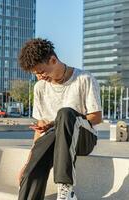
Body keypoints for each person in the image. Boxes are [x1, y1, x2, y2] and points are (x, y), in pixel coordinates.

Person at [17, 38, 102, 200]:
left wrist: (56, 123)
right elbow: (40, 130)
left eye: (42, 72)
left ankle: (66, 190)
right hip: (55, 139)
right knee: (31, 169)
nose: (40, 77)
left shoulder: (84, 78)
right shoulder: (40, 88)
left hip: (84, 138)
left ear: (53, 60)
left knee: (64, 114)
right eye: (35, 74)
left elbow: (96, 118)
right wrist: (29, 163)